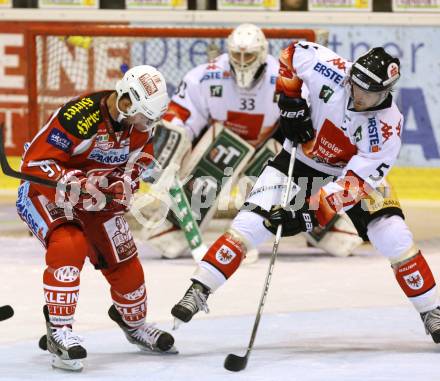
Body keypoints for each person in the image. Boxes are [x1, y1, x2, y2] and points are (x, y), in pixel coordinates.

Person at [170, 43, 440, 344]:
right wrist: (290, 99)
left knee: (393, 235)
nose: (358, 95)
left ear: (386, 92)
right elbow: (290, 54)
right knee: (249, 225)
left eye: (370, 93)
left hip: (348, 175)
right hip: (298, 160)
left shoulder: (388, 127)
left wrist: (308, 215)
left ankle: (431, 311)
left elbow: (353, 185)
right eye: (356, 84)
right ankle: (199, 288)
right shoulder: (332, 68)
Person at [140, 23, 361, 261]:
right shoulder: (206, 76)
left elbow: (312, 120)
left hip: (269, 147)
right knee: (225, 149)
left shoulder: (285, 77)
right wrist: (169, 142)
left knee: (288, 163)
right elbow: (181, 116)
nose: (243, 61)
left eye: (250, 55)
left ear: (262, 53)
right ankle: (177, 226)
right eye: (237, 54)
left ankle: (320, 225)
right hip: (221, 148)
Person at [16, 65, 177, 371]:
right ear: (127, 101)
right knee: (69, 244)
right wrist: (74, 182)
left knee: (125, 260)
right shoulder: (81, 115)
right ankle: (59, 331)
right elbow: (33, 162)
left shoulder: (142, 125)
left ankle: (135, 325)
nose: (147, 125)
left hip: (95, 197)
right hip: (46, 193)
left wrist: (123, 185)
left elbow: (138, 164)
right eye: (144, 116)